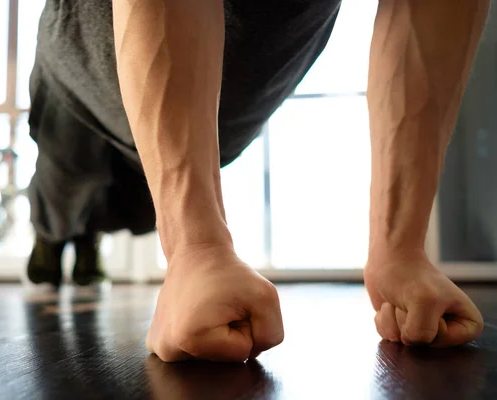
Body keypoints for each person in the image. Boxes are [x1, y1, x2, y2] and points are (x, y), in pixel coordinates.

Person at [25, 0, 488, 362]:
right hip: (83, 78)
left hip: (225, 110)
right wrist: (196, 247)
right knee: (66, 187)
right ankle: (54, 239)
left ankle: (86, 240)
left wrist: (400, 250)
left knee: (135, 208)